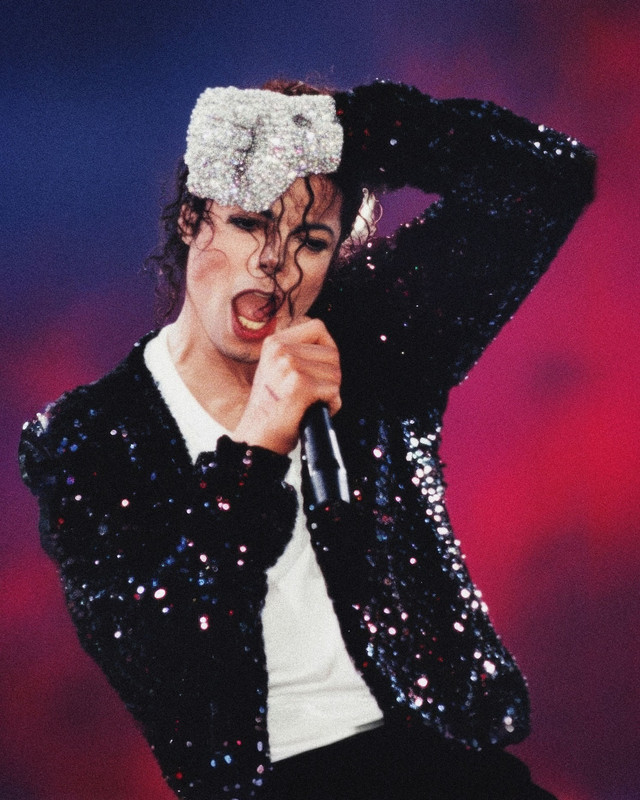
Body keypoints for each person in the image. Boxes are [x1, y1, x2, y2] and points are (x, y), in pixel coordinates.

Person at [19, 79, 595, 800]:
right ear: (193, 220)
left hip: (448, 758)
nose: (275, 262)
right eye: (250, 222)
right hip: (281, 784)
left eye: (311, 240)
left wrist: (343, 127)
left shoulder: (371, 341)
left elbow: (546, 181)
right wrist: (255, 451)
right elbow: (162, 655)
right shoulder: (87, 438)